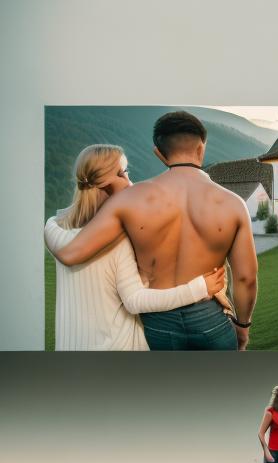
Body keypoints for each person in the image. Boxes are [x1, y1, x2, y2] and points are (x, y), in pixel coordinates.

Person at [50, 111, 258, 351]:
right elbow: (246, 278)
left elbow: (69, 254)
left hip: (159, 322)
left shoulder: (129, 200)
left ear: (159, 153)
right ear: (201, 149)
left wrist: (50, 227)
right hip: (210, 318)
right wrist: (242, 327)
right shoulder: (233, 204)